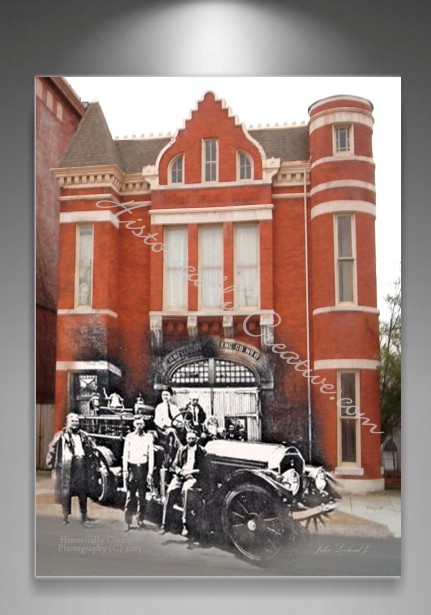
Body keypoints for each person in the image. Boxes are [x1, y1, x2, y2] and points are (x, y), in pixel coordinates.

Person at [46, 412, 98, 525]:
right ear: (67, 422)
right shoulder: (61, 435)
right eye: (72, 421)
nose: (75, 423)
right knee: (66, 491)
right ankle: (65, 517)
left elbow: (91, 447)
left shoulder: (83, 435)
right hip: (68, 466)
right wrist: (50, 464)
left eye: (77, 421)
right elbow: (52, 448)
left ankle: (84, 516)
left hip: (81, 465)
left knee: (82, 491)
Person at [159, 429, 208, 538]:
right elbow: (174, 465)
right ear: (186, 439)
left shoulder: (202, 451)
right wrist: (180, 472)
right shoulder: (181, 450)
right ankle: (164, 525)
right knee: (170, 491)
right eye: (189, 438)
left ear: (196, 439)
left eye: (193, 438)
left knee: (185, 491)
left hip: (192, 477)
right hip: (180, 476)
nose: (191, 440)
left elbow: (203, 469)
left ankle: (185, 523)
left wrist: (191, 472)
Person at [122, 415, 154, 531]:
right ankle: (128, 522)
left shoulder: (148, 437)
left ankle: (140, 519)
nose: (139, 426)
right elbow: (125, 455)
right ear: (134, 425)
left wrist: (150, 473)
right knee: (130, 496)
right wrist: (125, 470)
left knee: (142, 496)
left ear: (144, 425)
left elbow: (151, 455)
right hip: (132, 469)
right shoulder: (129, 437)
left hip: (143, 469)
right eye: (137, 424)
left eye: (141, 424)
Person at [154, 387, 183, 464]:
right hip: (162, 429)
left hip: (174, 428)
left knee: (183, 430)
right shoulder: (159, 407)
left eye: (167, 395)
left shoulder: (174, 408)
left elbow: (180, 419)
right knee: (171, 431)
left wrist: (178, 424)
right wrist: (167, 425)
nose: (165, 397)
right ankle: (180, 448)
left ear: (171, 396)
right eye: (163, 395)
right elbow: (157, 420)